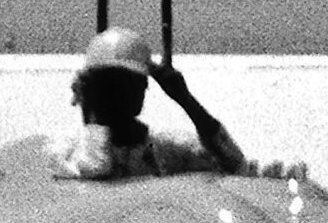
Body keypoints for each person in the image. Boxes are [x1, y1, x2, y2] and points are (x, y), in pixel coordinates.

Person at [47, 27, 248, 180]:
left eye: (131, 84)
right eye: (110, 85)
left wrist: (186, 100)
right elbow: (94, 168)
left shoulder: (165, 150)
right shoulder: (65, 150)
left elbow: (234, 165)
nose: (121, 94)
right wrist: (92, 113)